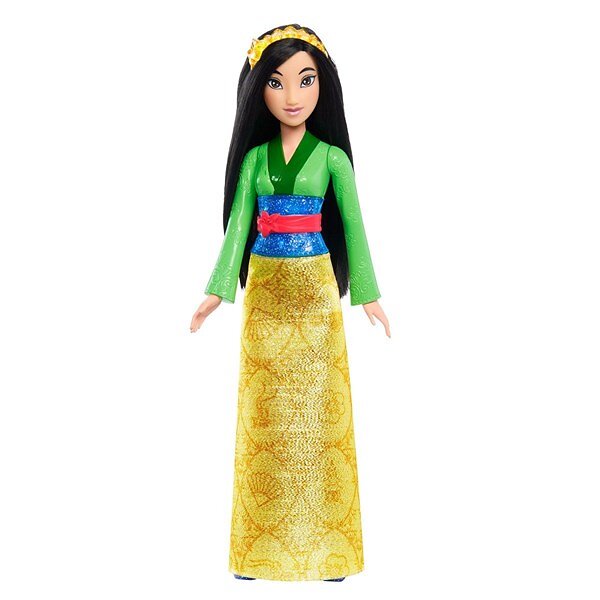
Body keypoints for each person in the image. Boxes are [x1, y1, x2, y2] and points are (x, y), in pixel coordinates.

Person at [190, 24, 391, 582]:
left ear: (324, 85)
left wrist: (368, 294)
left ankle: (331, 553)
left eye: (306, 80)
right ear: (259, 91)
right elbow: (238, 228)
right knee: (265, 416)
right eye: (277, 83)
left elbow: (354, 227)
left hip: (316, 295)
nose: (293, 96)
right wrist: (217, 289)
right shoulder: (255, 160)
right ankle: (257, 552)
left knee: (321, 417)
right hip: (266, 296)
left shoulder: (332, 159)